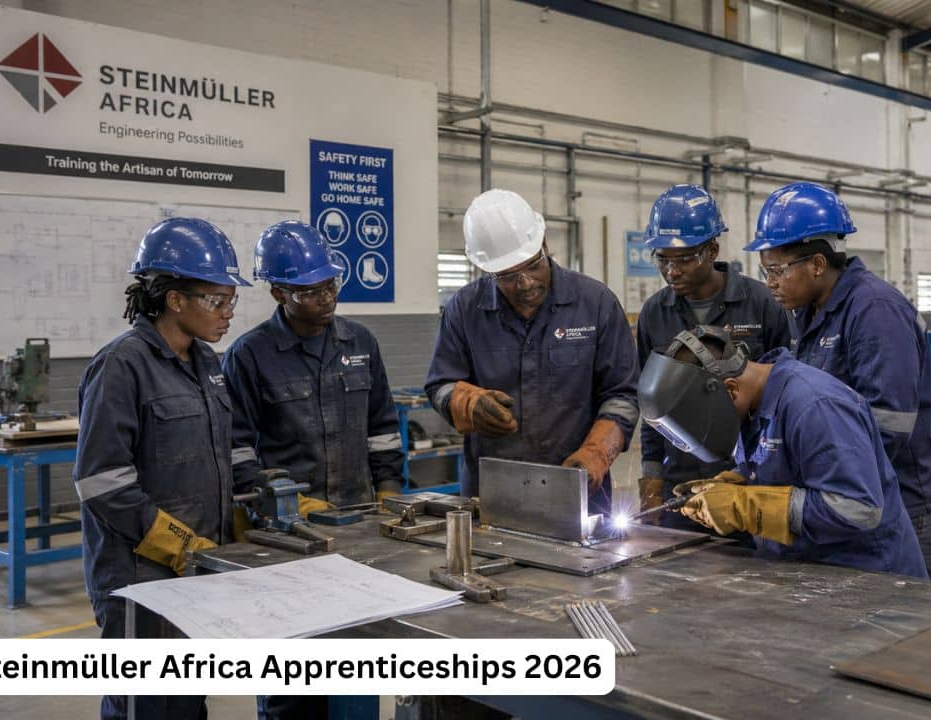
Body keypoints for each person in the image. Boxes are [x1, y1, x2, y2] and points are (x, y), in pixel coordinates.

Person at [222, 220, 405, 720]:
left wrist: (390, 494)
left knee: (355, 654)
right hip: (286, 536)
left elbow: (383, 427)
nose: (325, 299)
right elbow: (236, 448)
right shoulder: (249, 355)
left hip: (358, 523)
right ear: (279, 292)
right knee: (292, 675)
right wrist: (272, 499)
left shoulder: (360, 342)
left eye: (330, 286)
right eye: (309, 292)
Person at [73, 217, 251, 720]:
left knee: (189, 701)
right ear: (175, 300)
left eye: (231, 300)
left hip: (198, 567)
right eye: (217, 301)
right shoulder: (121, 365)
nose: (228, 313)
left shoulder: (208, 363)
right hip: (141, 576)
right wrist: (175, 542)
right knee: (145, 705)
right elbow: (101, 482)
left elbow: (228, 449)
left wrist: (251, 505)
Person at [747, 182, 931, 579]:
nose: (770, 283)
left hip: (909, 498)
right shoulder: (809, 311)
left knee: (906, 619)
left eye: (777, 270)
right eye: (765, 271)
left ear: (817, 264)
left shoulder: (875, 311)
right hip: (856, 488)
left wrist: (804, 483)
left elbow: (888, 427)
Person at [638, 326, 927, 578]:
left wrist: (744, 504)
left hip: (872, 580)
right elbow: (786, 466)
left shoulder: (815, 405)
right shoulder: (752, 405)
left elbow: (858, 509)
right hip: (810, 571)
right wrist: (735, 482)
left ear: (729, 389)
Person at [425, 189, 638, 515]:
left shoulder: (595, 304)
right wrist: (467, 403)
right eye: (508, 276)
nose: (525, 283)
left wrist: (596, 454)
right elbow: (440, 384)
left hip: (581, 491)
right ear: (488, 270)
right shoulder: (464, 310)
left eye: (533, 266)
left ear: (545, 246)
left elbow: (623, 395)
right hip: (491, 493)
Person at [634, 184, 792, 528]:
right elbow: (650, 405)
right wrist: (652, 475)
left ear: (712, 249)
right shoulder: (654, 314)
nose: (672, 271)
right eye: (662, 259)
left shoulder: (761, 302)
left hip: (747, 478)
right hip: (683, 478)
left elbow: (787, 389)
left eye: (684, 259)